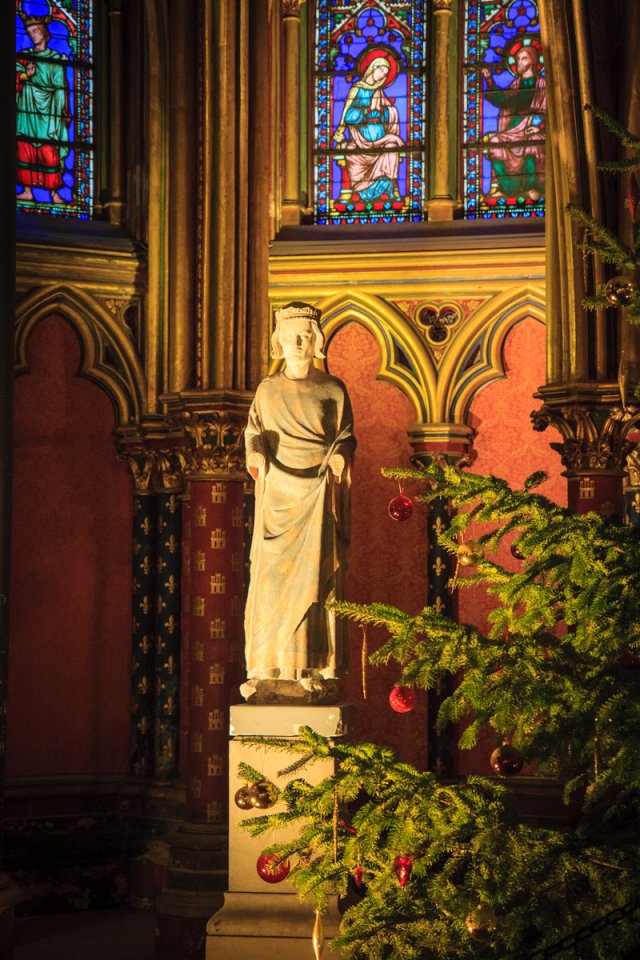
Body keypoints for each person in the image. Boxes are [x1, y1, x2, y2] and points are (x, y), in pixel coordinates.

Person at [242, 302, 355, 699]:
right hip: (277, 499)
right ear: (278, 341)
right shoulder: (267, 389)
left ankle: (310, 668)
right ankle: (266, 667)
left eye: (305, 335)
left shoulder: (332, 388)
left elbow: (344, 435)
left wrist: (340, 456)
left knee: (314, 581)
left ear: (317, 341)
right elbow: (254, 430)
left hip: (318, 494)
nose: (297, 342)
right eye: (290, 336)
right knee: (270, 584)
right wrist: (255, 455)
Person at [333, 54, 403, 203]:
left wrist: (383, 112)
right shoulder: (357, 90)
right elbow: (348, 115)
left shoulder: (378, 92)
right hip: (360, 138)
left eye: (385, 74)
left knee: (391, 147)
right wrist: (366, 111)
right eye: (381, 71)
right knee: (351, 151)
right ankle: (361, 191)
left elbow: (388, 113)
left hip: (379, 138)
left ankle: (386, 190)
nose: (381, 76)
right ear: (373, 67)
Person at [16, 16, 71, 204]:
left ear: (45, 34)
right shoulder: (24, 57)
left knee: (49, 153)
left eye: (36, 31)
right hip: (27, 107)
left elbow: (61, 86)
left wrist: (65, 108)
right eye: (30, 33)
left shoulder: (55, 59)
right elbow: (14, 76)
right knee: (25, 149)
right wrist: (25, 75)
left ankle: (55, 193)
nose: (32, 36)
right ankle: (28, 190)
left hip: (49, 111)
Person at [481, 43, 545, 202]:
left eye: (523, 59)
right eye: (517, 59)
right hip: (513, 127)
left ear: (532, 61)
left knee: (533, 142)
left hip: (532, 126)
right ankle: (507, 189)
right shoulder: (516, 84)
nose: (519, 63)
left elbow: (546, 109)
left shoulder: (542, 84)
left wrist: (537, 126)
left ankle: (532, 187)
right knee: (495, 142)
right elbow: (503, 101)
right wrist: (489, 79)